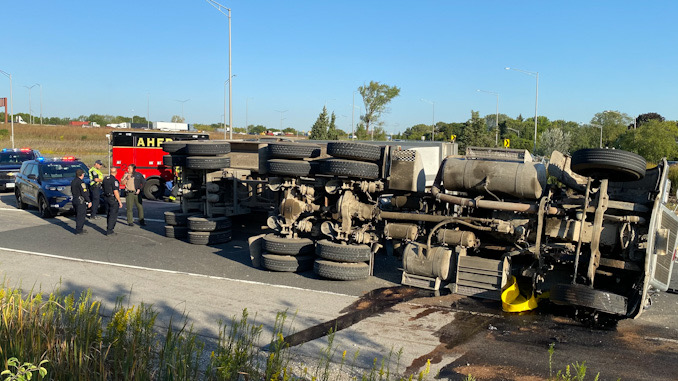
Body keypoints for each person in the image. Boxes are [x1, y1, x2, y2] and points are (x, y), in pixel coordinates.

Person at [102, 167, 123, 236]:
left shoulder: (105, 179)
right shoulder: (114, 180)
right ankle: (110, 230)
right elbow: (116, 191)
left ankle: (108, 227)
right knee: (113, 215)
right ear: (116, 172)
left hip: (106, 197)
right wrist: (119, 201)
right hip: (112, 198)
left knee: (108, 214)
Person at [70, 168, 91, 234]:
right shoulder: (81, 182)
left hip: (75, 199)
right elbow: (84, 192)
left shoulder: (73, 181)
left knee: (77, 215)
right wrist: (89, 201)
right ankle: (79, 230)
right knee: (81, 215)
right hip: (80, 200)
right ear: (82, 174)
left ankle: (79, 228)